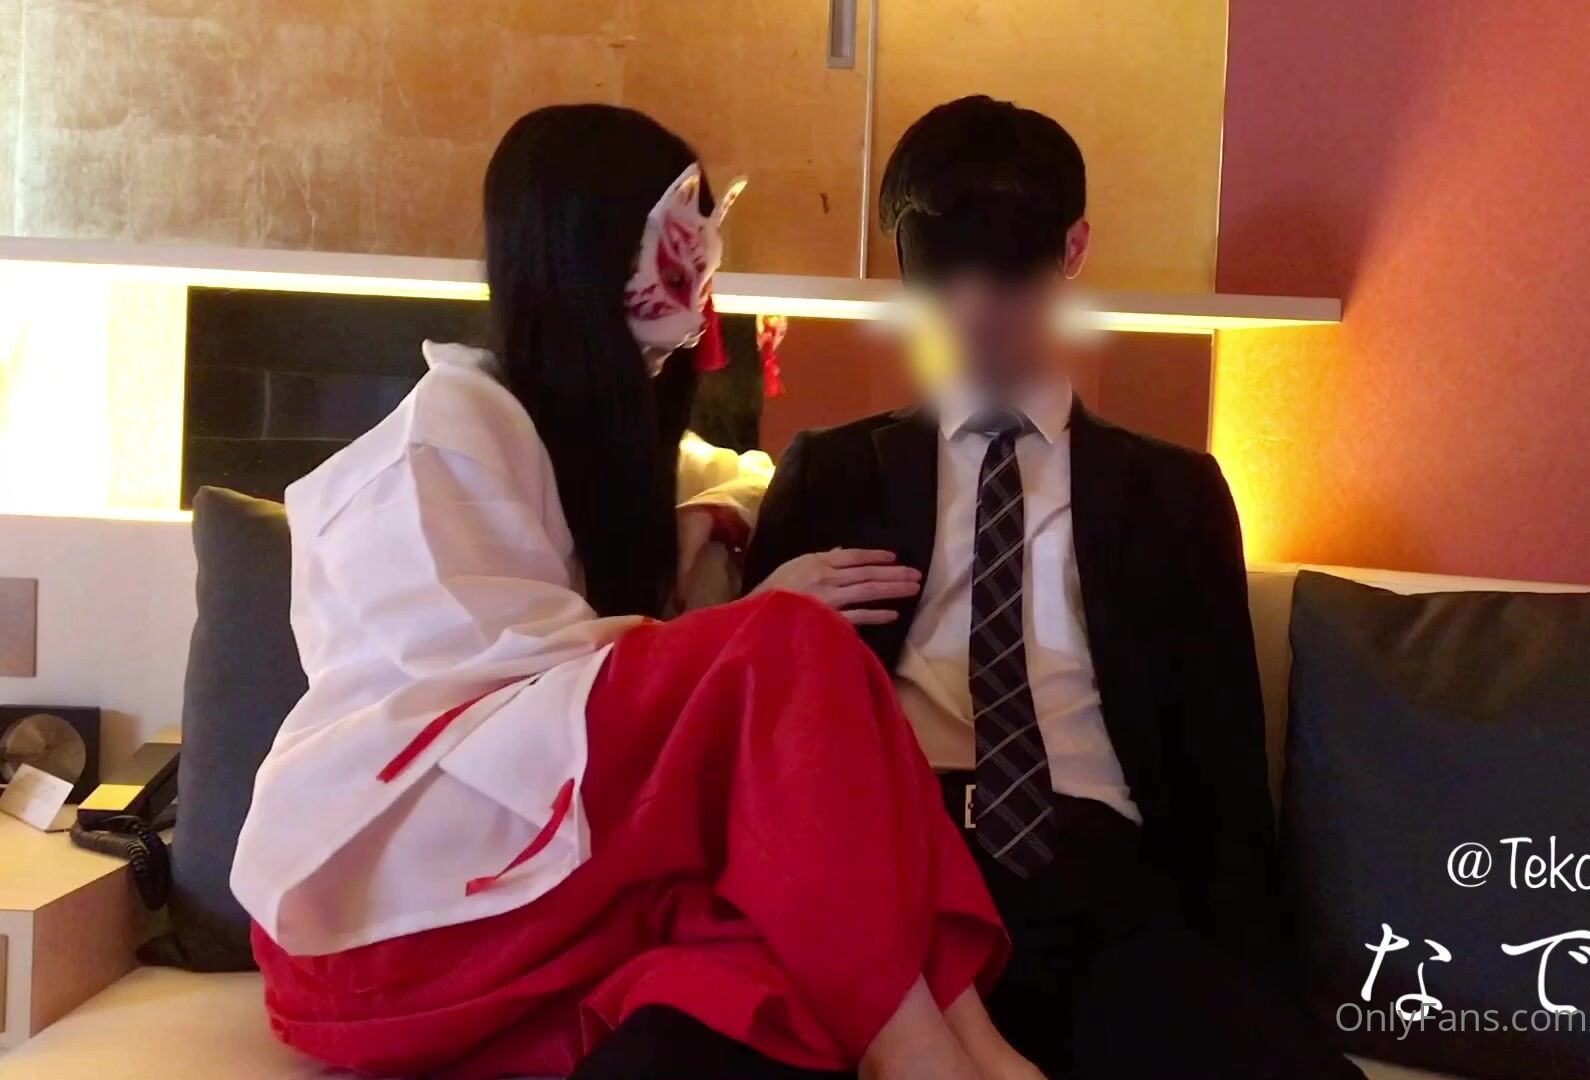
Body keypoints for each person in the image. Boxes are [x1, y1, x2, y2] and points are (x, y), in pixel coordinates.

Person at [231, 104, 1044, 1080]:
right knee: (792, 644)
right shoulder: (437, 442)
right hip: (390, 904)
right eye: (677, 241)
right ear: (582, 252)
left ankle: (974, 1045)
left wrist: (714, 522)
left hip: (532, 885)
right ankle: (928, 1059)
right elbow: (487, 702)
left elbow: (739, 476)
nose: (700, 281)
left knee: (771, 940)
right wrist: (740, 635)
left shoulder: (582, 439)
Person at [746, 96, 1363, 1079]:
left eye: (1007, 270)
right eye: (942, 273)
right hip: (896, 868)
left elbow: (1225, 781)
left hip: (1100, 876)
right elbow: (757, 738)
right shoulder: (833, 473)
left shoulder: (1174, 492)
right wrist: (752, 607)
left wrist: (1261, 987)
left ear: (1072, 249)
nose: (973, 308)